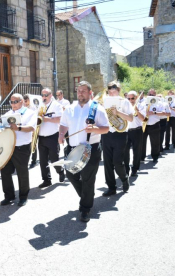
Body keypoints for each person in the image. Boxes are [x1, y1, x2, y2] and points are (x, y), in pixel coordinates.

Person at [59, 81, 109, 222]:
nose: (80, 93)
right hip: (72, 148)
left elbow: (105, 129)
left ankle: (85, 208)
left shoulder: (97, 108)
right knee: (70, 174)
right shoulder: (70, 108)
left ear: (90, 93)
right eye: (78, 90)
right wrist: (61, 134)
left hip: (91, 148)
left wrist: (94, 129)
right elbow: (63, 124)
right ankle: (87, 196)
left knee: (88, 179)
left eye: (83, 91)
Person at [0, 93, 37, 206]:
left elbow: (31, 128)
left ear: (21, 101)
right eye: (11, 102)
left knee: (22, 172)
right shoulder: (8, 113)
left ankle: (23, 196)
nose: (13, 104)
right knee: (4, 171)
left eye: (15, 102)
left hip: (22, 147)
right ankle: (9, 196)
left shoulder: (30, 113)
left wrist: (18, 128)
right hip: (9, 146)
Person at [101, 81, 133, 196]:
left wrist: (117, 112)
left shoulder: (124, 102)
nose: (111, 92)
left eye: (114, 90)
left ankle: (124, 179)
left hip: (120, 134)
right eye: (110, 90)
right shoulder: (103, 101)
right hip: (106, 134)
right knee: (108, 163)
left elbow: (130, 119)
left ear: (118, 90)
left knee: (117, 162)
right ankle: (111, 187)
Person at [37, 88, 65, 188]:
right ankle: (46, 180)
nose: (44, 97)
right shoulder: (40, 105)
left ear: (50, 95)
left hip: (53, 136)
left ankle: (61, 171)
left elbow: (60, 119)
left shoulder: (56, 105)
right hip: (41, 136)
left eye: (46, 95)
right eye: (42, 95)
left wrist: (46, 119)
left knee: (54, 159)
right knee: (43, 160)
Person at [141, 89, 167, 163]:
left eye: (152, 94)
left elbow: (163, 113)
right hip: (144, 124)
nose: (151, 96)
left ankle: (155, 156)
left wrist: (154, 113)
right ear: (147, 94)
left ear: (155, 95)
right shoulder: (143, 102)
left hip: (154, 124)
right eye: (150, 94)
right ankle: (142, 157)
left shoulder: (159, 103)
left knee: (155, 142)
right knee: (142, 142)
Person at [124, 91, 145, 176]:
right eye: (128, 98)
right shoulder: (125, 106)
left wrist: (137, 110)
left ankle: (135, 169)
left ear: (136, 98)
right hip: (127, 131)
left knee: (137, 151)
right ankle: (126, 169)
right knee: (125, 151)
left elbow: (143, 119)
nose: (130, 100)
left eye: (132, 98)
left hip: (137, 130)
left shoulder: (141, 105)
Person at [23, 94, 39, 169]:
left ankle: (34, 161)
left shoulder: (33, 108)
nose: (25, 103)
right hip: (25, 128)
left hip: (32, 128)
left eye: (26, 101)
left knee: (33, 145)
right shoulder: (23, 108)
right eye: (24, 101)